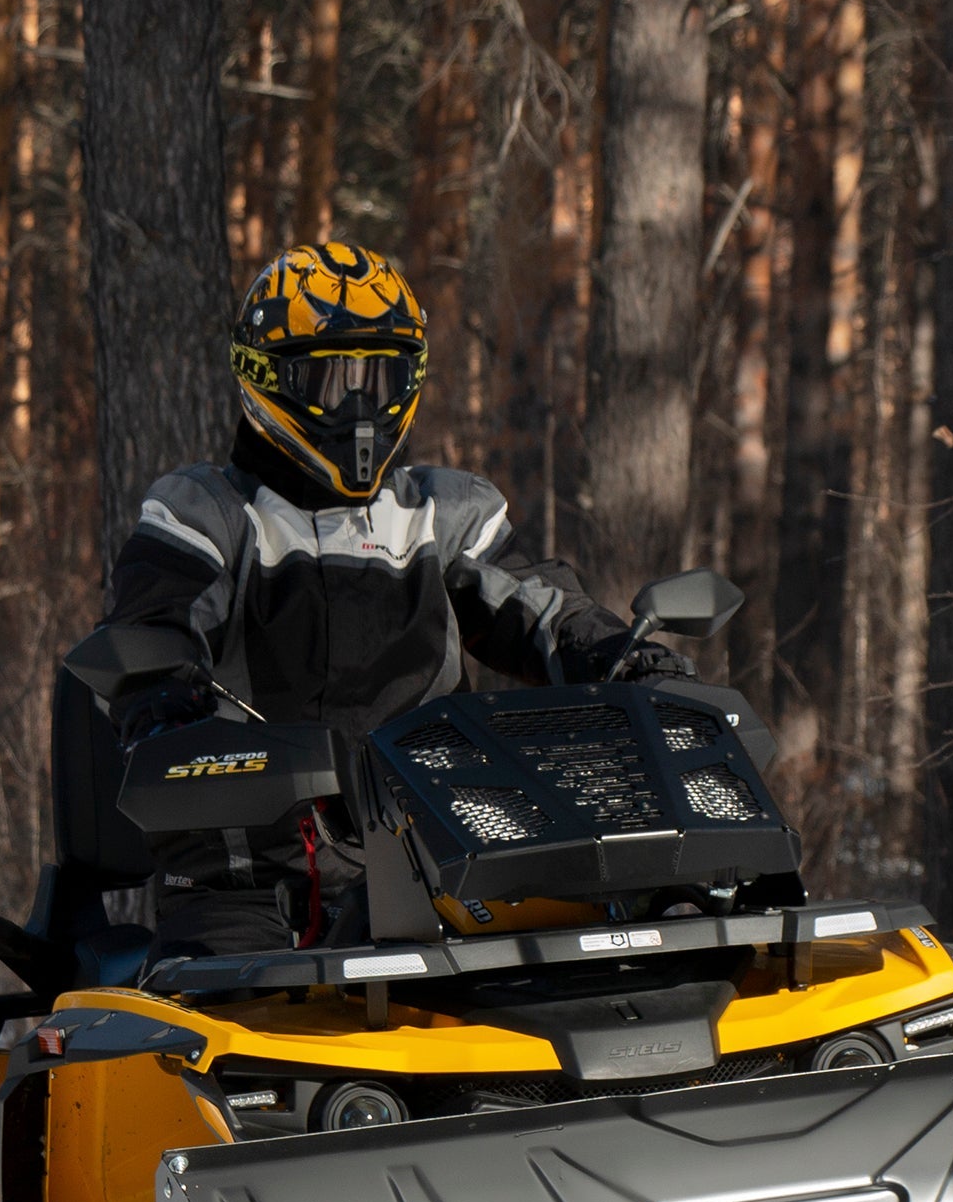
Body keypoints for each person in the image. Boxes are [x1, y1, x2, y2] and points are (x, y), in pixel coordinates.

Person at [89, 241, 682, 956]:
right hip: (252, 880)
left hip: (447, 866)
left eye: (380, 377)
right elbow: (152, 622)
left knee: (591, 960)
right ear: (267, 376)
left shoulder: (443, 512)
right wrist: (161, 699)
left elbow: (544, 610)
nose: (358, 407)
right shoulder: (207, 513)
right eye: (332, 379)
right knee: (232, 1000)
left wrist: (624, 657)